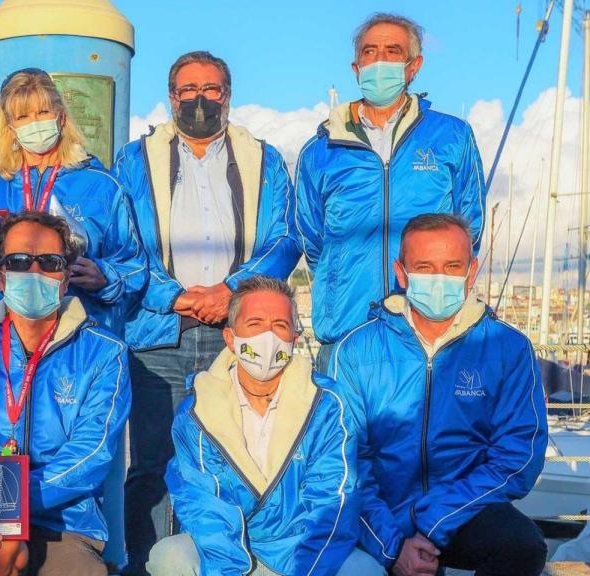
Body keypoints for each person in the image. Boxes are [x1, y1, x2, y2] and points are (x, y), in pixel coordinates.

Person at [111, 50, 299, 573]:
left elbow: (285, 239)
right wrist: (172, 295)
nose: (199, 98)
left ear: (228, 95)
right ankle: (147, 565)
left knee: (231, 460)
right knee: (150, 465)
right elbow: (122, 247)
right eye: (188, 89)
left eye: (211, 89)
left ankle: (222, 564)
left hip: (234, 337)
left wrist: (231, 291)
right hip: (157, 336)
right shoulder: (133, 160)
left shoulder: (263, 159)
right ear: (171, 97)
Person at [331, 214, 547, 576]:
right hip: (381, 513)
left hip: (463, 509)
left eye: (451, 266)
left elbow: (518, 456)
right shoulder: (356, 350)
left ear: (471, 270)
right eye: (424, 267)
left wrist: (436, 517)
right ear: (402, 273)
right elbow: (345, 461)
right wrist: (394, 546)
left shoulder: (507, 347)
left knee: (523, 546)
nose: (438, 278)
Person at [0, 212, 131, 576]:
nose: (33, 272)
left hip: (62, 521)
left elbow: (90, 456)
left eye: (49, 263)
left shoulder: (105, 353)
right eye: (18, 262)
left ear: (65, 279)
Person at [146, 276, 382, 576]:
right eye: (255, 323)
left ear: (294, 338)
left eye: (280, 325)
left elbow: (333, 499)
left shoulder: (326, 406)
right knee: (170, 556)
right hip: (231, 554)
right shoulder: (196, 412)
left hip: (301, 554)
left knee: (364, 570)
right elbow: (201, 503)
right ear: (231, 338)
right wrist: (231, 570)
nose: (267, 337)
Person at [295, 13, 486, 371]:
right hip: (346, 330)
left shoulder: (452, 137)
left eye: (393, 51)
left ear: (414, 66)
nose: (380, 60)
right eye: (370, 51)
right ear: (356, 66)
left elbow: (469, 226)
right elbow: (312, 240)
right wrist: (341, 281)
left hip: (428, 330)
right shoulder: (320, 151)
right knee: (341, 427)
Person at [0, 67, 146, 337]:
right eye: (23, 117)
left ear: (61, 116)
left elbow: (135, 268)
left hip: (79, 338)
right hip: (2, 339)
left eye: (42, 112)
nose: (35, 123)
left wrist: (105, 277)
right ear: (10, 128)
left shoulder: (102, 186)